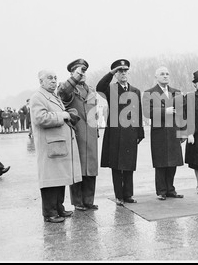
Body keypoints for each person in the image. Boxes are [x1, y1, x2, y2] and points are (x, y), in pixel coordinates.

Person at [30, 70, 82, 223]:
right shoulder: (37, 97)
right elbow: (41, 118)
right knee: (50, 180)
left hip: (58, 144)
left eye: (55, 78)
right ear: (41, 81)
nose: (53, 81)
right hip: (49, 145)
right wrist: (64, 115)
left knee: (59, 178)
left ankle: (59, 207)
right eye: (49, 78)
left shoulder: (54, 96)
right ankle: (49, 213)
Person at [96, 59, 144, 206]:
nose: (123, 74)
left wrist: (140, 132)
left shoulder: (135, 90)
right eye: (120, 71)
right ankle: (119, 196)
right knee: (116, 166)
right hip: (115, 132)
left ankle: (128, 194)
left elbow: (138, 112)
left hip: (130, 132)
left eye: (125, 71)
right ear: (115, 74)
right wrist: (110, 73)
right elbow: (99, 86)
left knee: (129, 165)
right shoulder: (110, 89)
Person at [58, 58, 99, 211]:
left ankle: (89, 200)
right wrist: (75, 78)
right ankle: (78, 201)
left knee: (91, 167)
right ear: (72, 73)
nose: (83, 73)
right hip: (77, 133)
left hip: (91, 133)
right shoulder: (68, 88)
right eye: (79, 70)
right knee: (77, 167)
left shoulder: (91, 89)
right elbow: (63, 93)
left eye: (84, 71)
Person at [142, 66, 184, 201]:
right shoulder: (149, 93)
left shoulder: (176, 92)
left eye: (167, 74)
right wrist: (164, 111)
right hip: (159, 132)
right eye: (162, 74)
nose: (165, 76)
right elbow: (147, 112)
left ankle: (170, 189)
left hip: (173, 131)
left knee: (173, 162)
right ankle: (161, 191)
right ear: (156, 77)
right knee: (161, 162)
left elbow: (182, 113)